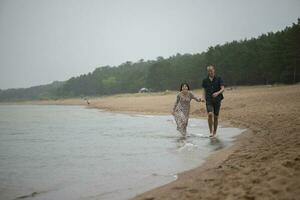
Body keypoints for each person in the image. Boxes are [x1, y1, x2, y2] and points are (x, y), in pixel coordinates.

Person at [202, 65, 224, 137]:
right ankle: (211, 132)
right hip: (209, 99)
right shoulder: (205, 80)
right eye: (208, 71)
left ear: (214, 70)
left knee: (216, 117)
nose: (210, 72)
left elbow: (223, 88)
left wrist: (217, 93)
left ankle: (215, 132)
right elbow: (204, 90)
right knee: (210, 114)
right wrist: (203, 97)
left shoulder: (219, 78)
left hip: (217, 99)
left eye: (211, 70)